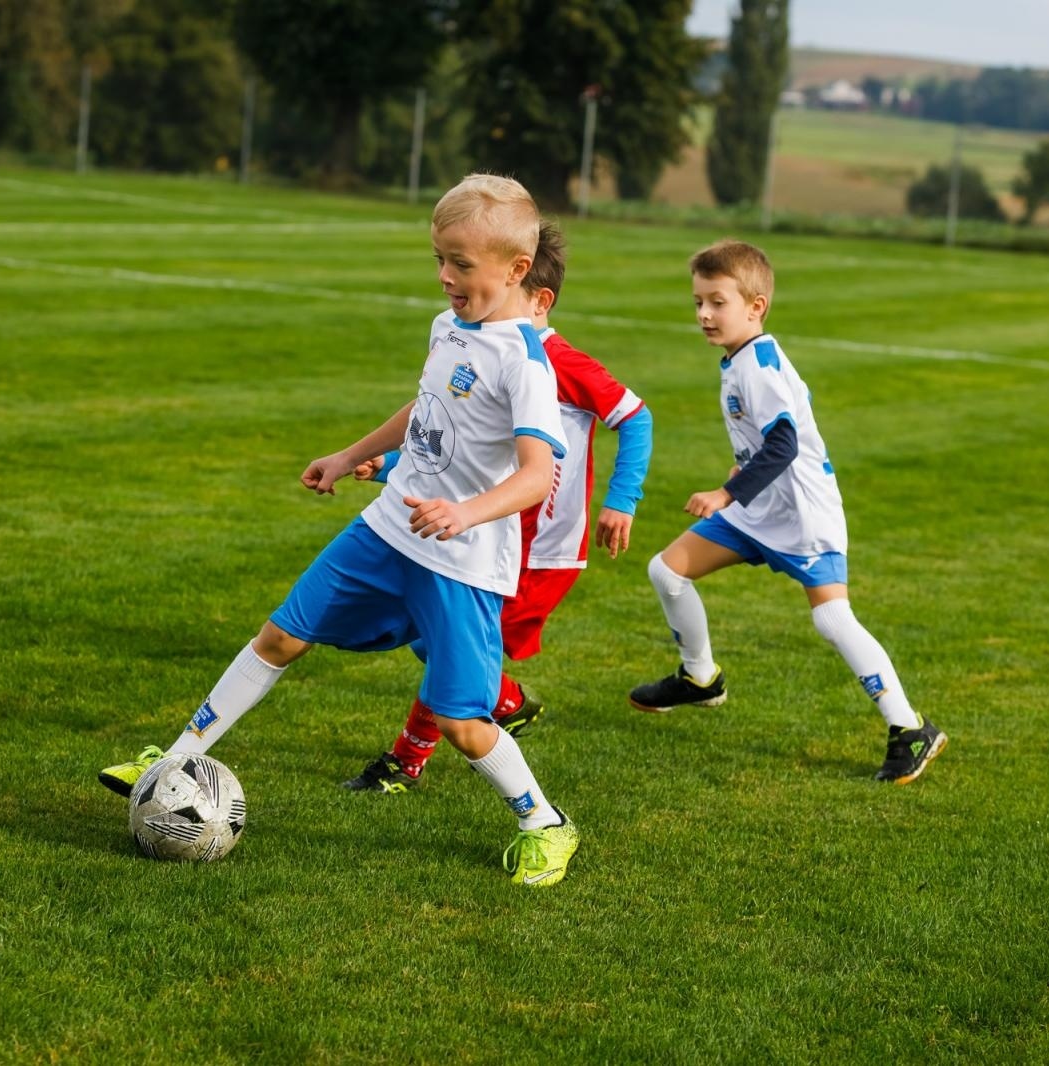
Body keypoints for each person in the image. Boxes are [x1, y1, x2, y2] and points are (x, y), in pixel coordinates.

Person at [100, 174, 582, 886]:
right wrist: (354, 455)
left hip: (461, 561)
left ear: (516, 270)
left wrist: (464, 512)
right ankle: (173, 760)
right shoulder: (449, 327)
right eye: (440, 260)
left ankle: (545, 823)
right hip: (386, 530)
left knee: (461, 723)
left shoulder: (527, 363)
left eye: (462, 264)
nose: (446, 277)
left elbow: (538, 475)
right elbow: (424, 410)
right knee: (281, 635)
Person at [341, 219, 652, 793]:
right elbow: (460, 441)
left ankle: (408, 761)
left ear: (538, 298)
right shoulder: (481, 347)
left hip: (542, 549)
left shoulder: (560, 363)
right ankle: (504, 701)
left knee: (444, 644)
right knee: (432, 636)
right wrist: (386, 466)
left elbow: (636, 418)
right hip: (483, 531)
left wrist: (621, 500)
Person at [628, 239, 947, 784]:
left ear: (756, 307)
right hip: (760, 508)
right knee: (668, 569)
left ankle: (909, 728)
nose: (704, 314)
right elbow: (762, 446)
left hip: (802, 516)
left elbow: (784, 445)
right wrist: (739, 476)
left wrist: (725, 493)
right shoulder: (740, 359)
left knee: (831, 617)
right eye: (698, 302)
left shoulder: (759, 366)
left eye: (717, 302)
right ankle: (701, 677)